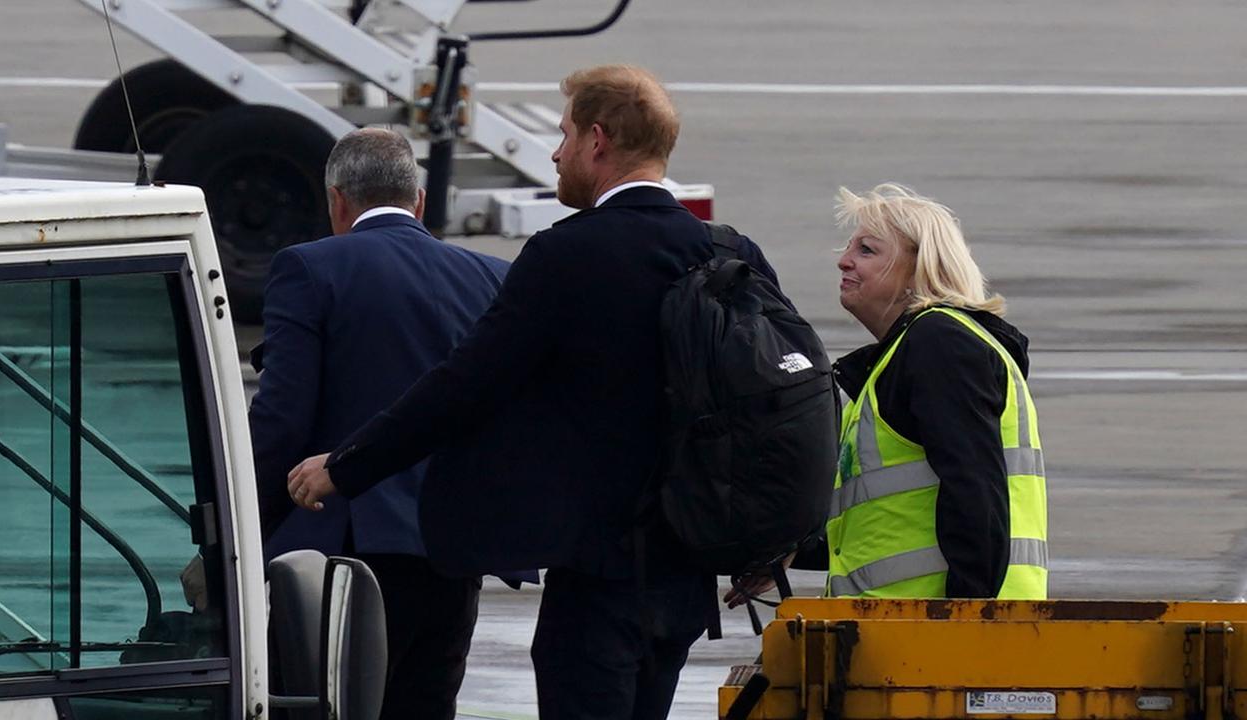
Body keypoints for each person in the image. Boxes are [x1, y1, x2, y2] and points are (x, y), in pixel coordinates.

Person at [285, 64, 785, 719]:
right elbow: (775, 400)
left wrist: (346, 466)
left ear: (598, 141)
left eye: (565, 134)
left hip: (602, 575)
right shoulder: (728, 251)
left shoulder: (567, 255)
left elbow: (462, 387)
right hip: (686, 581)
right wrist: (767, 542)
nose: (556, 152)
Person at [248, 127, 511, 720]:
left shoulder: (309, 268)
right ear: (418, 200)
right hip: (453, 553)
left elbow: (281, 419)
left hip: (348, 554)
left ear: (336, 201)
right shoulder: (491, 277)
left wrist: (240, 529)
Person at [826, 183, 1048, 599]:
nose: (843, 261)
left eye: (867, 250)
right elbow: (887, 519)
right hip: (904, 626)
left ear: (919, 268)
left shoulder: (939, 343)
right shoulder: (899, 357)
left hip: (939, 630)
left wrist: (963, 621)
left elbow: (974, 487)